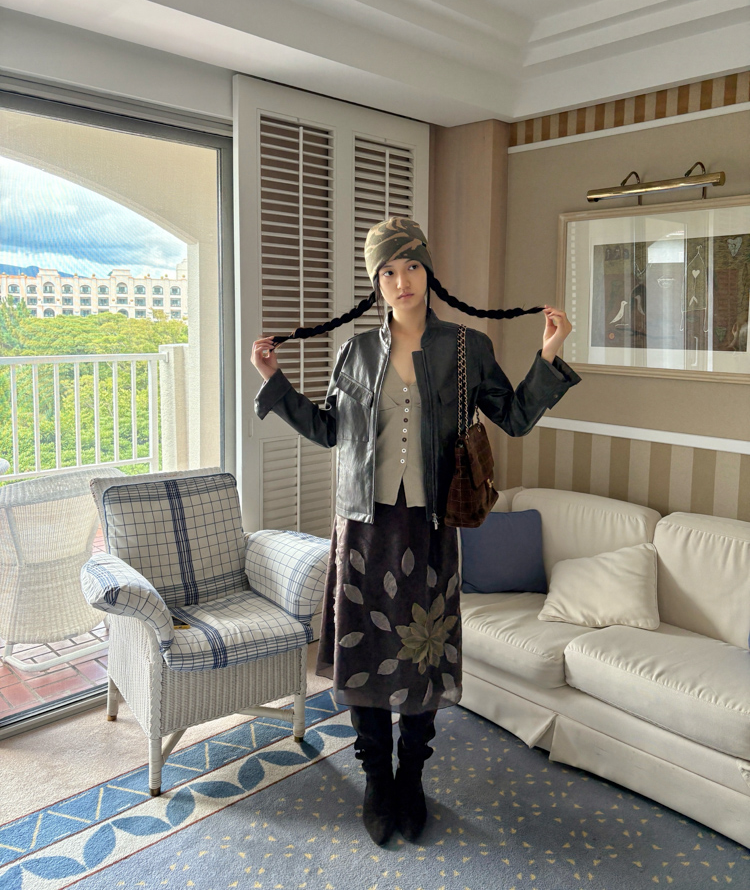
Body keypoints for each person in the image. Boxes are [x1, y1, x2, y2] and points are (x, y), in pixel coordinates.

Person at [252, 217, 580, 847]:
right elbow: (328, 430)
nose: (401, 281)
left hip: (429, 529)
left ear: (428, 272)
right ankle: (377, 778)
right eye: (388, 271)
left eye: (411, 267)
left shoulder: (466, 347)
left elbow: (513, 418)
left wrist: (548, 354)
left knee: (423, 654)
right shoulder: (355, 352)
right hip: (363, 528)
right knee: (367, 652)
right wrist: (273, 380)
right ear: (375, 283)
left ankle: (412, 777)